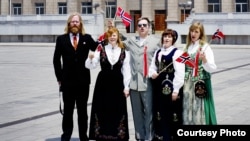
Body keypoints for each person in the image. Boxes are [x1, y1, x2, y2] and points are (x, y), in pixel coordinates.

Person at [53, 12, 98, 141]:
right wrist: (59, 78)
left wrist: (108, 34)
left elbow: (97, 47)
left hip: (83, 82)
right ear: (69, 24)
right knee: (67, 111)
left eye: (77, 21)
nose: (75, 24)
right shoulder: (61, 39)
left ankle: (84, 136)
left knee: (82, 112)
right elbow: (56, 60)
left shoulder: (86, 38)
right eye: (72, 21)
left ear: (80, 24)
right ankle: (66, 136)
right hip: (67, 82)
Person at [86, 27, 131, 141]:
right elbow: (91, 65)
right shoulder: (100, 49)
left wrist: (126, 87)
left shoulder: (124, 51)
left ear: (118, 37)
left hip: (118, 84)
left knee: (117, 109)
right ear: (107, 37)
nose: (112, 37)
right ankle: (101, 135)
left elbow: (127, 70)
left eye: (114, 35)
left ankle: (117, 135)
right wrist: (90, 58)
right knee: (102, 109)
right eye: (110, 35)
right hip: (103, 83)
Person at [123, 17, 160, 141]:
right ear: (137, 28)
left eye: (144, 25)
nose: (142, 27)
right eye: (139, 25)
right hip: (134, 83)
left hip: (148, 82)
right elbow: (116, 42)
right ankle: (140, 136)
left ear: (149, 27)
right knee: (137, 112)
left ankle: (149, 137)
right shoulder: (131, 41)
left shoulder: (156, 42)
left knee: (149, 112)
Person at [149, 29, 185, 141]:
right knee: (159, 113)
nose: (167, 39)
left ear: (173, 39)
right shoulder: (158, 52)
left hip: (171, 88)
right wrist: (152, 73)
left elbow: (180, 73)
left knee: (172, 114)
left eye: (169, 37)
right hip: (159, 88)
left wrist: (176, 90)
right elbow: (152, 67)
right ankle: (161, 136)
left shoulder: (177, 53)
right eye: (165, 36)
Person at [182, 21, 217, 125]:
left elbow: (212, 68)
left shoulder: (205, 47)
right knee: (187, 108)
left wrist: (205, 60)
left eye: (196, 31)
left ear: (201, 33)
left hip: (199, 82)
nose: (193, 34)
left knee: (199, 109)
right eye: (192, 31)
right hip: (187, 83)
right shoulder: (186, 47)